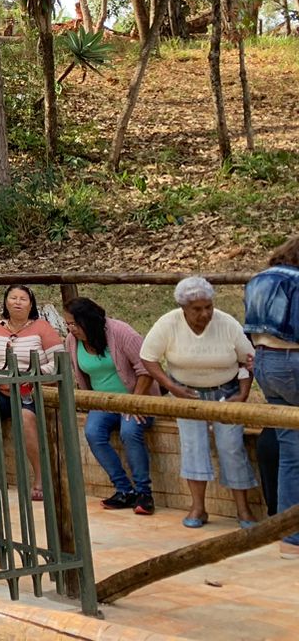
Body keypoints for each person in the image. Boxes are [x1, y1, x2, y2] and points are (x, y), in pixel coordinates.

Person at [140, 276, 259, 529]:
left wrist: (243, 394)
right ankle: (198, 508)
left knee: (232, 448)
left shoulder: (227, 323)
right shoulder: (168, 323)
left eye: (208, 307)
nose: (205, 313)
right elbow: (148, 358)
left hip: (225, 392)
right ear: (183, 308)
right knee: (193, 447)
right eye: (197, 309)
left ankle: (244, 510)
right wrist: (171, 387)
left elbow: (247, 360)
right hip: (187, 394)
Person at [63, 297, 158, 515]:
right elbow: (79, 374)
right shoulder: (71, 341)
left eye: (74, 323)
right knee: (93, 432)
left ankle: (144, 493)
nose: (70, 328)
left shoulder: (120, 332)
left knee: (130, 431)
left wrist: (134, 403)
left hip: (135, 399)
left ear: (88, 321)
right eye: (68, 323)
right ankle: (124, 490)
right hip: (103, 402)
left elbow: (146, 368)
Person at [0, 285, 62, 501]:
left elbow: (60, 364)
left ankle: (41, 477)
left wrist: (35, 374)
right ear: (5, 302)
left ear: (31, 304)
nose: (17, 302)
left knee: (26, 419)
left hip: (30, 392)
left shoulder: (43, 328)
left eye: (23, 298)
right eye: (12, 298)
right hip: (1, 390)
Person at [245, 236, 299, 558]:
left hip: (265, 362)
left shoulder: (257, 281)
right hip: (294, 359)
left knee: (291, 452)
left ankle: (290, 537)